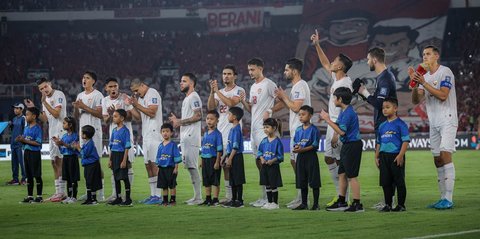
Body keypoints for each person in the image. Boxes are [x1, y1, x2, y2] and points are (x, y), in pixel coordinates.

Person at [410, 45, 457, 209]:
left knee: (445, 154)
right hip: (434, 121)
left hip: (448, 118)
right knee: (437, 159)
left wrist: (423, 82)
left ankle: (449, 199)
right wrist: (417, 84)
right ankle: (442, 197)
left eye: (428, 54)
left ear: (436, 56)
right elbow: (416, 100)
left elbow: (443, 95)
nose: (425, 57)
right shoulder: (424, 77)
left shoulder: (445, 72)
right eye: (423, 54)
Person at [311, 30, 353, 206]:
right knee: (329, 158)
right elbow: (325, 63)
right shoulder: (337, 79)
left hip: (337, 125)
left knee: (339, 161)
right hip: (331, 124)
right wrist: (317, 45)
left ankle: (345, 197)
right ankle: (339, 194)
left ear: (340, 67)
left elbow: (345, 108)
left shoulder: (345, 83)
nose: (332, 63)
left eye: (335, 61)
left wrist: (337, 130)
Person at [356, 47, 398, 209]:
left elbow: (380, 104)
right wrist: (364, 94)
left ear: (374, 60)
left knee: (384, 162)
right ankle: (388, 199)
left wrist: (364, 92)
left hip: (386, 126)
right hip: (383, 125)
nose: (367, 62)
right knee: (383, 163)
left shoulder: (385, 78)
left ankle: (390, 201)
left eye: (368, 59)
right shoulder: (383, 77)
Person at [272, 58, 311, 209]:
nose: (285, 72)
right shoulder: (295, 86)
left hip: (302, 132)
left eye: (287, 69)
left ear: (294, 71)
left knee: (299, 164)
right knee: (295, 163)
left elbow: (296, 108)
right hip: (297, 130)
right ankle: (300, 196)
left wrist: (284, 96)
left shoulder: (301, 85)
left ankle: (304, 199)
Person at [240, 58, 277, 208]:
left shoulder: (269, 84)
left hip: (264, 130)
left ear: (261, 68)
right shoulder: (253, 87)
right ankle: (263, 197)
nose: (250, 72)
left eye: (253, 69)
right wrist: (243, 102)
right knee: (258, 163)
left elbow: (281, 100)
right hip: (254, 129)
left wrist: (270, 111)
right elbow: (252, 109)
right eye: (249, 70)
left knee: (266, 163)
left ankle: (271, 199)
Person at [207, 64, 245, 204]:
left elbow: (231, 104)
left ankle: (236, 197)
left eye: (229, 74)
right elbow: (211, 108)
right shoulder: (219, 91)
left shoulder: (239, 90)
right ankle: (229, 195)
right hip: (220, 134)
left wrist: (218, 91)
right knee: (224, 166)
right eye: (224, 74)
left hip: (233, 133)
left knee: (232, 165)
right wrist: (212, 92)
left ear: (235, 76)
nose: (226, 76)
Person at [321, 87, 364, 212]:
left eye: (335, 97)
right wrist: (335, 136)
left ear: (340, 99)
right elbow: (339, 127)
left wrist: (327, 119)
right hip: (347, 145)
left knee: (352, 176)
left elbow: (342, 132)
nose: (333, 99)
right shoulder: (344, 111)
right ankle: (342, 202)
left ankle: (357, 204)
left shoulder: (348, 113)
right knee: (342, 174)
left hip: (352, 145)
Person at [24, 77, 67, 202]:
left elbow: (57, 114)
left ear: (50, 84)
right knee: (53, 162)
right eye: (41, 89)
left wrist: (44, 102)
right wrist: (34, 107)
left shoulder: (59, 94)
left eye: (45, 87)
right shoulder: (45, 100)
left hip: (60, 131)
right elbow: (45, 119)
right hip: (51, 131)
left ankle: (62, 192)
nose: (44, 90)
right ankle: (57, 192)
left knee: (59, 161)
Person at [169, 73, 203, 205]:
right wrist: (178, 122)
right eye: (180, 81)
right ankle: (196, 196)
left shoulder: (194, 97)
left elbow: (198, 116)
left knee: (193, 167)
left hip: (191, 137)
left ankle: (199, 197)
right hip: (186, 137)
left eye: (184, 81)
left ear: (192, 83)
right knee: (190, 167)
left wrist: (179, 121)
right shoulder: (187, 98)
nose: (180, 83)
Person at [129, 78, 163, 205]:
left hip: (155, 134)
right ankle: (153, 194)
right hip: (146, 134)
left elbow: (152, 112)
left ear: (143, 85)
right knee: (148, 165)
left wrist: (137, 105)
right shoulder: (141, 98)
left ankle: (159, 195)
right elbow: (139, 118)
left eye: (137, 90)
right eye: (134, 92)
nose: (136, 93)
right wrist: (131, 106)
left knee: (154, 165)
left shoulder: (152, 93)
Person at [73, 71, 105, 201]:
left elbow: (99, 114)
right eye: (83, 77)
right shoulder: (80, 95)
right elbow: (76, 117)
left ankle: (101, 193)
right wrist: (76, 108)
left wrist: (83, 106)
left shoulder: (98, 95)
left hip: (95, 132)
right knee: (85, 163)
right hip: (83, 132)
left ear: (93, 81)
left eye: (87, 78)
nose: (84, 79)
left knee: (96, 163)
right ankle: (89, 191)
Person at [102, 77, 135, 203]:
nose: (113, 88)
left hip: (126, 133)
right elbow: (105, 120)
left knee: (128, 164)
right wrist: (111, 114)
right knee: (115, 168)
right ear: (106, 88)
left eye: (115, 86)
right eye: (110, 87)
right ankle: (116, 195)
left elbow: (132, 117)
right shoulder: (104, 101)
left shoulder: (124, 98)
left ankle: (127, 197)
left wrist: (124, 111)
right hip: (114, 134)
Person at [375, 98, 409, 212]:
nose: (384, 110)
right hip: (384, 157)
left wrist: (400, 155)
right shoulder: (382, 126)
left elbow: (405, 141)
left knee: (399, 181)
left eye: (387, 107)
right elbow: (379, 142)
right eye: (383, 108)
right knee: (386, 182)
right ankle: (388, 205)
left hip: (396, 156)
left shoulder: (401, 124)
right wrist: (376, 156)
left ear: (395, 108)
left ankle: (401, 205)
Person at [292, 105, 321, 210]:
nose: (300, 117)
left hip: (311, 157)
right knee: (302, 180)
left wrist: (301, 149)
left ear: (310, 116)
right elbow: (296, 142)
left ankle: (316, 204)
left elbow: (315, 145)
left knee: (314, 181)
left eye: (303, 114)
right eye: (299, 115)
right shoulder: (298, 130)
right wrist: (296, 147)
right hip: (300, 157)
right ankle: (304, 204)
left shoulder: (314, 130)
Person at [107, 109, 133, 206]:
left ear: (122, 118)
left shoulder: (125, 131)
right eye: (113, 116)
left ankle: (128, 199)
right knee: (116, 178)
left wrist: (124, 160)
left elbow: (127, 146)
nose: (113, 118)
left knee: (124, 178)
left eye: (115, 116)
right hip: (114, 155)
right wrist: (110, 159)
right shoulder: (114, 130)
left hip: (121, 155)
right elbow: (111, 146)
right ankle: (118, 198)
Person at [52, 117, 80, 204]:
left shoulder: (75, 135)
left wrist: (62, 143)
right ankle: (69, 196)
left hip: (73, 158)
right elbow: (62, 150)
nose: (63, 125)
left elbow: (73, 148)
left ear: (70, 125)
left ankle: (74, 197)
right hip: (65, 158)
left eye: (64, 123)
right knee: (67, 178)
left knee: (73, 178)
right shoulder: (64, 136)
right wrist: (58, 144)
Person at [18, 107, 44, 203]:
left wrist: (24, 140)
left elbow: (38, 143)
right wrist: (21, 139)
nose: (26, 116)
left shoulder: (37, 128)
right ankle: (30, 196)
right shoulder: (26, 128)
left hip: (34, 153)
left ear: (34, 116)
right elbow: (25, 140)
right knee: (28, 175)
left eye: (28, 114)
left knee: (37, 175)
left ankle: (39, 196)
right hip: (27, 153)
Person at [258, 118, 284, 210]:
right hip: (265, 166)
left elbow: (280, 156)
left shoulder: (277, 142)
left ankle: (275, 203)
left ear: (274, 128)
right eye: (264, 127)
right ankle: (269, 202)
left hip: (273, 167)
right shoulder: (264, 140)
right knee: (267, 185)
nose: (265, 129)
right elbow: (260, 151)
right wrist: (261, 158)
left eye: (267, 127)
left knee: (273, 185)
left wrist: (272, 161)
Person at [222, 107, 245, 208]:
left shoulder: (236, 130)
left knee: (237, 179)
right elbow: (230, 145)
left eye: (229, 114)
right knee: (233, 179)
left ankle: (239, 200)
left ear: (234, 117)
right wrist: (224, 157)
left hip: (236, 157)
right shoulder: (232, 129)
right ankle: (233, 199)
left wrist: (230, 159)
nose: (228, 116)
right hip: (231, 156)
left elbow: (235, 147)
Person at [200, 110, 223, 206]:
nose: (209, 121)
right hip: (205, 159)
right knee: (206, 180)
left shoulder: (218, 134)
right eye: (207, 118)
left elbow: (219, 150)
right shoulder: (205, 133)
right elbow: (203, 148)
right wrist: (201, 160)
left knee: (215, 180)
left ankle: (215, 199)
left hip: (213, 159)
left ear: (217, 120)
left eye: (212, 119)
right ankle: (208, 198)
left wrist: (217, 162)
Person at [75, 125, 102, 205]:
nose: (81, 134)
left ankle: (92, 199)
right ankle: (91, 199)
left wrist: (78, 148)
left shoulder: (89, 143)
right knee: (89, 181)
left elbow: (84, 154)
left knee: (90, 181)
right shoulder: (87, 143)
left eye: (82, 132)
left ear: (85, 135)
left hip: (92, 165)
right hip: (90, 164)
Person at [156, 123, 181, 207]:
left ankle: (173, 201)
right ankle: (165, 201)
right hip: (162, 169)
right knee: (164, 186)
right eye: (163, 131)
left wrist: (176, 168)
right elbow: (158, 157)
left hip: (170, 168)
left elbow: (176, 157)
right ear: (161, 132)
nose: (165, 133)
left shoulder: (173, 145)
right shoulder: (160, 145)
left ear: (171, 133)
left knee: (172, 185)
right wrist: (158, 168)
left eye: (167, 131)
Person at [7, 103, 26, 186]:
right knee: (14, 163)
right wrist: (11, 126)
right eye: (14, 108)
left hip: (20, 144)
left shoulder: (24, 118)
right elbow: (13, 131)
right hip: (13, 144)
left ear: (21, 109)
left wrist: (23, 140)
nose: (15, 110)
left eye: (17, 108)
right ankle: (15, 179)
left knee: (22, 163)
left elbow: (25, 130)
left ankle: (24, 179)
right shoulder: (14, 119)